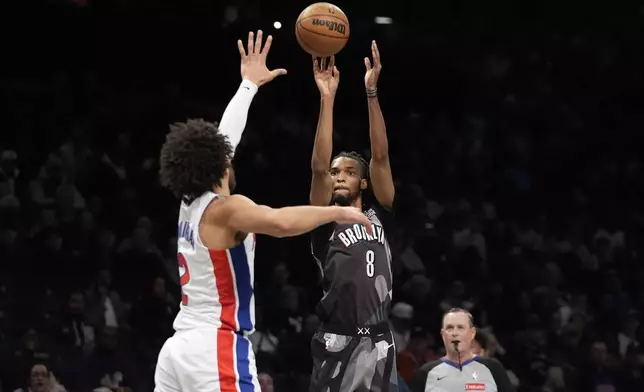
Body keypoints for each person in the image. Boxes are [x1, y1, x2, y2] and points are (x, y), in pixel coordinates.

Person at [153, 31, 373, 392]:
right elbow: (280, 222)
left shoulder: (189, 203)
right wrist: (337, 213)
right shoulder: (228, 209)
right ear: (220, 166)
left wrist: (248, 86)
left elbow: (226, 137)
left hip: (178, 349)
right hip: (215, 346)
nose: (230, 153)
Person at [308, 41, 398, 392]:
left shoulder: (381, 215)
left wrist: (371, 91)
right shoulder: (322, 219)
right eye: (335, 172)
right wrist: (327, 98)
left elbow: (381, 156)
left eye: (347, 172)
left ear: (363, 181)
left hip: (379, 340)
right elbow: (317, 167)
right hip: (336, 339)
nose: (338, 176)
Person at [408, 308, 514, 392]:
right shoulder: (427, 372)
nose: (455, 333)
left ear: (472, 333)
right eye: (449, 328)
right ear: (443, 334)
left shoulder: (492, 367)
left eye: (460, 328)